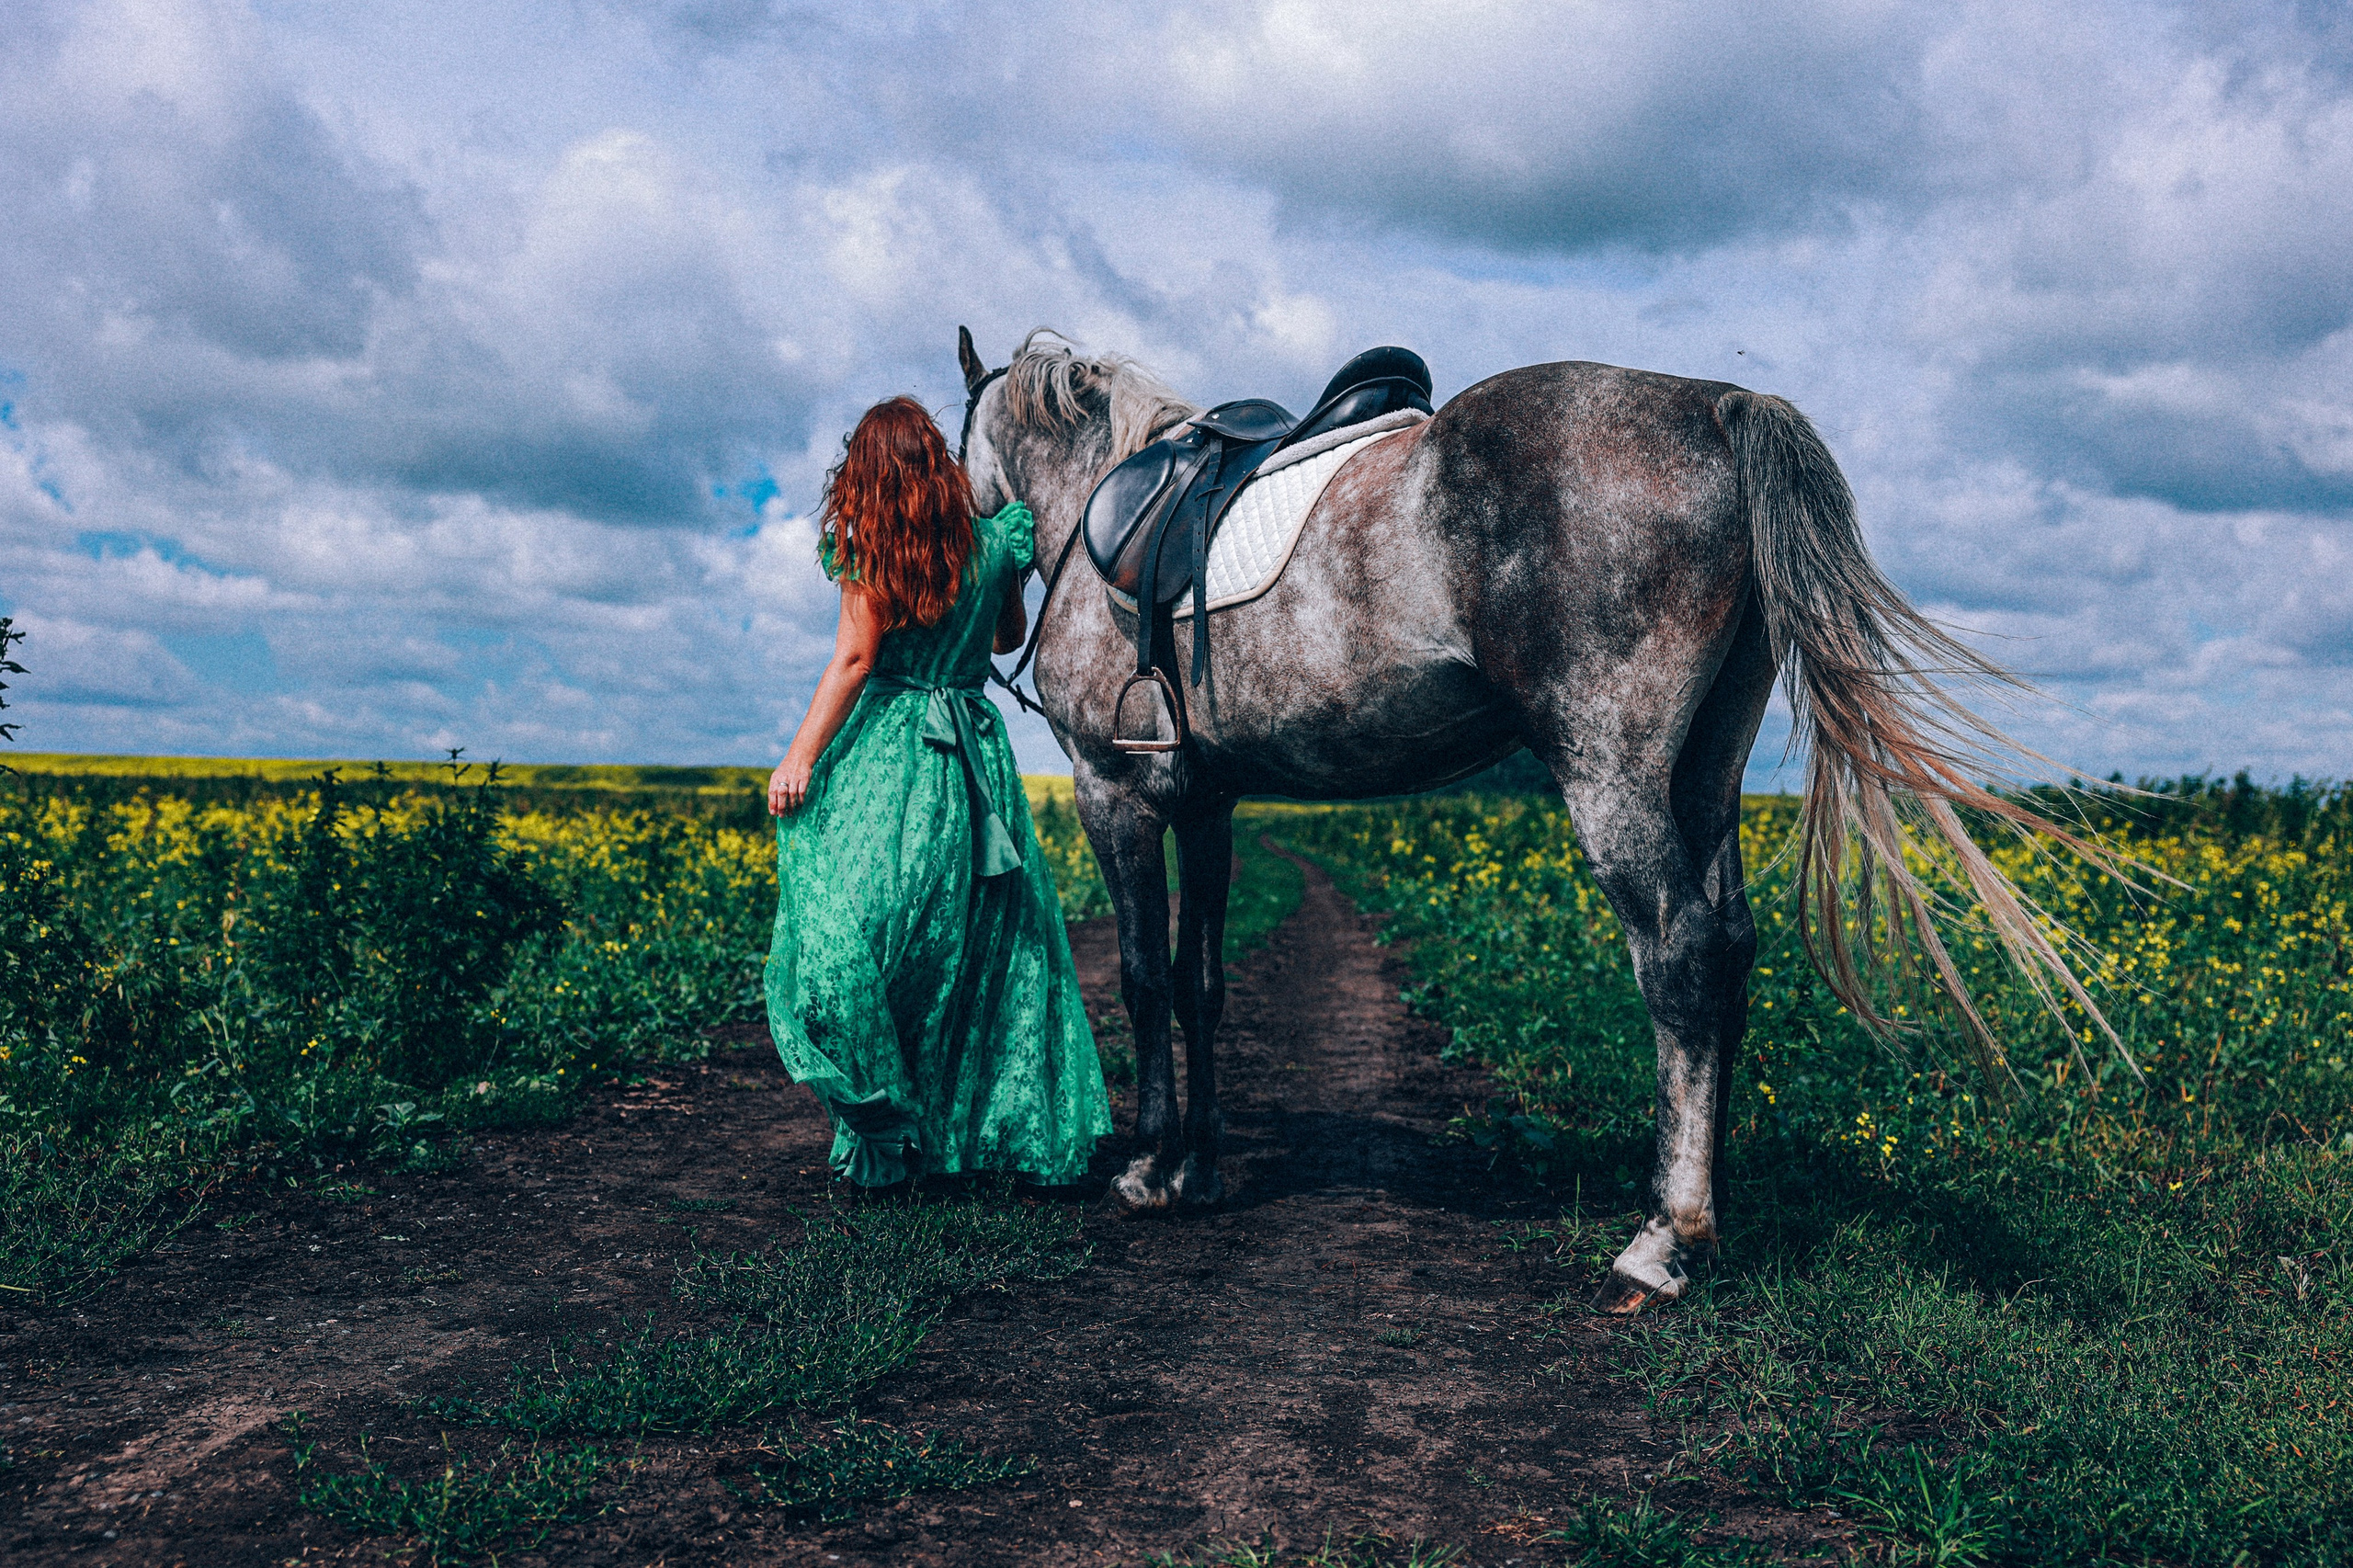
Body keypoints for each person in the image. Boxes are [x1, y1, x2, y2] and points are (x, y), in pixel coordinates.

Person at [764, 395, 1111, 1188]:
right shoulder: (992, 545)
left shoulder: (871, 553)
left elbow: (855, 662)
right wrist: (1001, 574)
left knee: (852, 943)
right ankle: (950, 1129)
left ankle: (883, 1126)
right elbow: (1005, 640)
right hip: (972, 766)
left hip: (889, 758)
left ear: (870, 474)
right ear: (937, 468)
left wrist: (799, 758)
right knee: (973, 950)